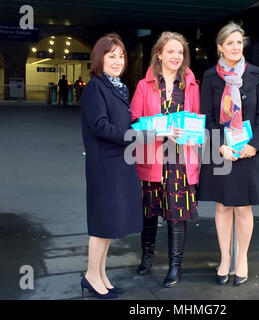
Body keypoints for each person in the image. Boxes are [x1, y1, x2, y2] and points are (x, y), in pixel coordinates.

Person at [198, 22, 259, 286]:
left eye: (239, 42)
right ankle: (224, 258)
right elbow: (206, 115)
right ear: (220, 47)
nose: (235, 47)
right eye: (229, 42)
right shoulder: (210, 76)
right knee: (222, 206)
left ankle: (241, 258)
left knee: (243, 207)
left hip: (248, 150)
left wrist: (254, 144)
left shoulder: (255, 73)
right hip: (222, 149)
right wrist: (220, 145)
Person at [130, 31, 200, 288]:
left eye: (180, 52)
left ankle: (174, 267)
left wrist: (195, 136)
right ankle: (147, 256)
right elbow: (134, 123)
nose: (176, 56)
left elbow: (196, 121)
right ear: (159, 54)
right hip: (153, 157)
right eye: (170, 51)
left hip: (181, 160)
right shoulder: (143, 85)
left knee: (177, 214)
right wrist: (160, 131)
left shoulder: (191, 84)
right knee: (149, 213)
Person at [80, 33, 142, 299]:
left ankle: (100, 274)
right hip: (104, 164)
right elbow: (99, 125)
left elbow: (122, 125)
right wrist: (132, 136)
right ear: (99, 58)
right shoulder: (96, 87)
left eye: (121, 56)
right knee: (102, 222)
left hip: (119, 162)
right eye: (111, 55)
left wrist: (144, 129)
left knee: (109, 223)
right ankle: (91, 276)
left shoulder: (117, 87)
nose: (117, 61)